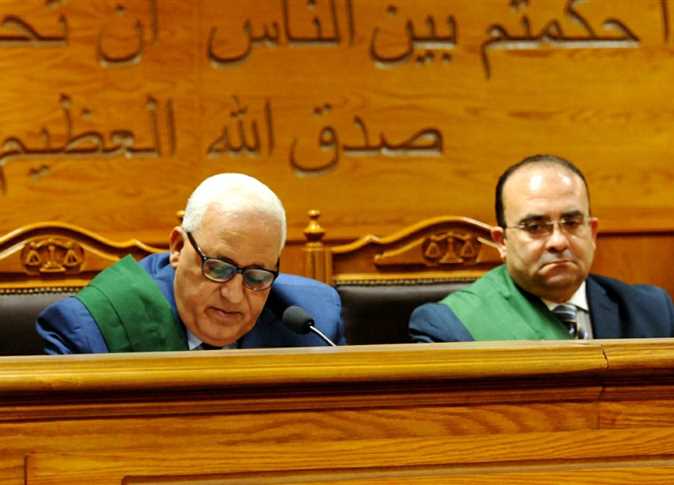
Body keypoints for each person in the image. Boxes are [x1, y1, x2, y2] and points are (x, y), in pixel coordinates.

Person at [37, 173, 344, 353]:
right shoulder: (90, 332)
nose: (233, 296)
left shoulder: (315, 324)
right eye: (219, 268)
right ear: (178, 247)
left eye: (256, 276)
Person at [409, 154, 674, 342]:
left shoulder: (652, 312)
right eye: (535, 227)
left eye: (571, 223)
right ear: (502, 242)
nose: (558, 241)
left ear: (592, 232)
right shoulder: (452, 327)